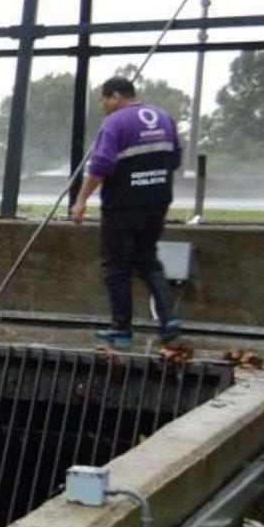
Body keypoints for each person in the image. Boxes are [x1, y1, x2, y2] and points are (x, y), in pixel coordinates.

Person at [69, 75, 183, 348]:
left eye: (105, 100)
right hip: (157, 201)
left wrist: (81, 199)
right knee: (147, 259)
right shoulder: (164, 118)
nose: (104, 106)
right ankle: (169, 320)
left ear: (116, 96)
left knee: (115, 266)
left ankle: (121, 329)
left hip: (123, 205)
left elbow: (101, 164)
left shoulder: (115, 122)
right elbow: (176, 158)